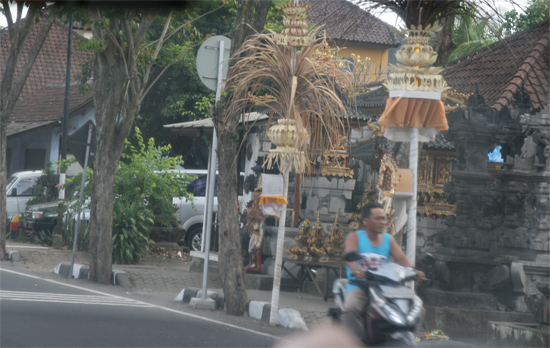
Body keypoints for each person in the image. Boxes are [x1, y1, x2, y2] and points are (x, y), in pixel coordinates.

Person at [343, 202, 425, 342]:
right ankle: (354, 343)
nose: (382, 222)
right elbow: (350, 256)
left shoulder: (388, 239)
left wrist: (414, 271)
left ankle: (407, 340)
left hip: (385, 289)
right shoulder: (355, 236)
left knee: (417, 309)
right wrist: (356, 270)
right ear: (366, 221)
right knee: (351, 308)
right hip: (360, 286)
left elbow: (401, 258)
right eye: (378, 218)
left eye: (383, 218)